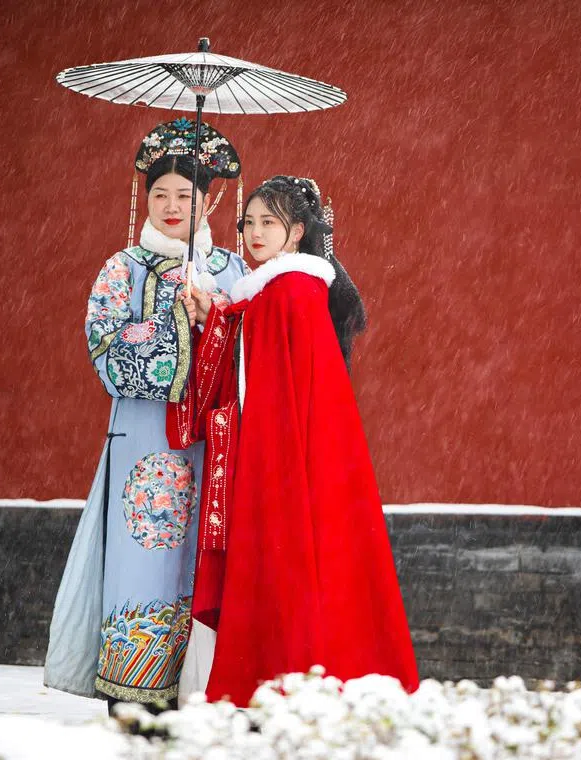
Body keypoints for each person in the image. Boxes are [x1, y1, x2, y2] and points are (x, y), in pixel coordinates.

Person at [168, 176, 418, 706]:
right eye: (249, 222)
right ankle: (288, 677)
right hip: (282, 453)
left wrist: (221, 321)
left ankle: (282, 677)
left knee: (286, 569)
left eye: (269, 222)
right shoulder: (273, 293)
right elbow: (252, 353)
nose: (255, 233)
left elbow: (269, 378)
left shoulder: (293, 291)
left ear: (298, 231)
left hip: (284, 458)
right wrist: (215, 315)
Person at [44, 119, 249, 709]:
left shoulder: (232, 271)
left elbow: (251, 354)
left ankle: (204, 690)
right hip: (142, 443)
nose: (172, 206)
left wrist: (215, 317)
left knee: (208, 565)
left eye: (185, 194)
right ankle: (134, 695)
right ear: (146, 199)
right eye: (160, 194)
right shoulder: (123, 268)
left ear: (208, 201)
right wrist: (175, 322)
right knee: (141, 562)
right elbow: (104, 349)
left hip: (212, 447)